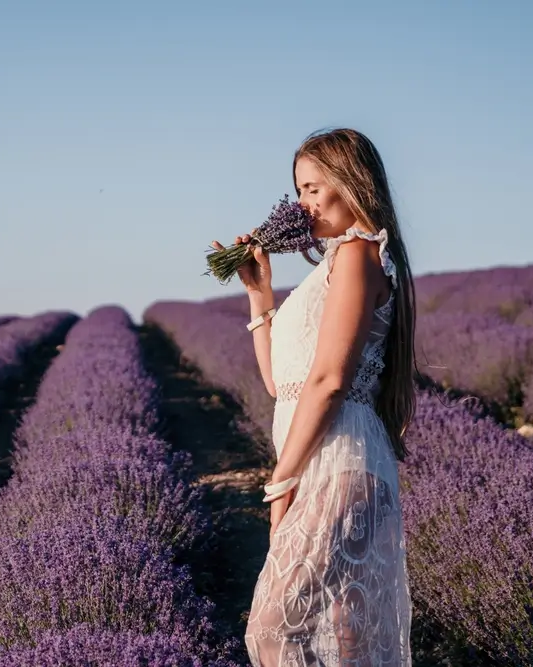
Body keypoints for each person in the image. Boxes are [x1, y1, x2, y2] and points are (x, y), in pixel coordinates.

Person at [211, 128, 416, 665]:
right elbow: (286, 385)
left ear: (351, 183)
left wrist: (282, 480)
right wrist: (260, 294)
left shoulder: (358, 254)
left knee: (275, 630)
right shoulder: (336, 263)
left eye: (312, 188)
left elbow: (329, 382)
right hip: (324, 458)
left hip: (337, 462)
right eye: (297, 191)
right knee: (344, 639)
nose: (302, 205)